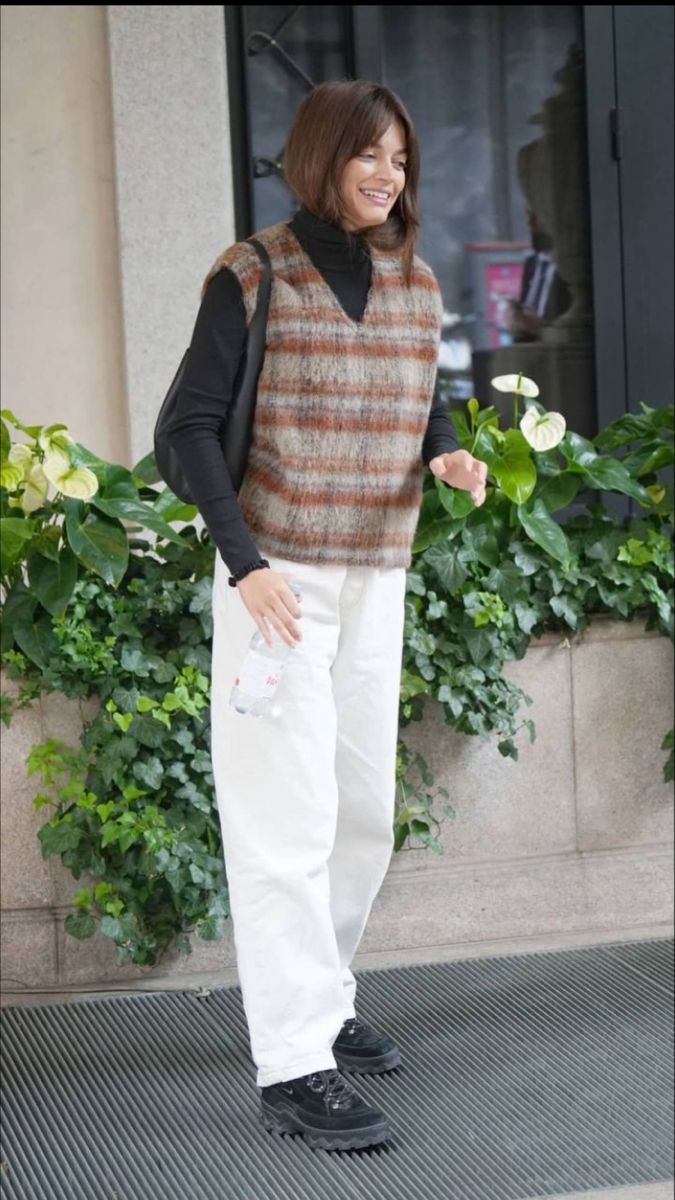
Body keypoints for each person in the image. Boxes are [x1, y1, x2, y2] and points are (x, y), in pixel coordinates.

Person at [165, 79, 487, 1152]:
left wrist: (444, 451)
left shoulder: (414, 278)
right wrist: (245, 561)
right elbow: (189, 430)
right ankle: (294, 1063)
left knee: (357, 811)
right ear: (322, 156)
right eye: (370, 153)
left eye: (400, 156)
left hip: (376, 574)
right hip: (280, 584)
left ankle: (325, 998)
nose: (388, 173)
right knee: (283, 823)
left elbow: (415, 392)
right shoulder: (252, 275)